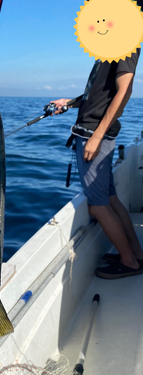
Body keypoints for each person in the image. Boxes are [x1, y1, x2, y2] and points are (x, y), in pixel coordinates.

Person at [52, 49, 143, 279]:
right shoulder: (111, 50)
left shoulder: (126, 45)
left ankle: (129, 262)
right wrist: (69, 103)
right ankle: (136, 253)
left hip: (94, 136)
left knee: (98, 206)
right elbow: (98, 96)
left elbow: (124, 91)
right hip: (93, 133)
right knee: (110, 197)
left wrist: (96, 137)